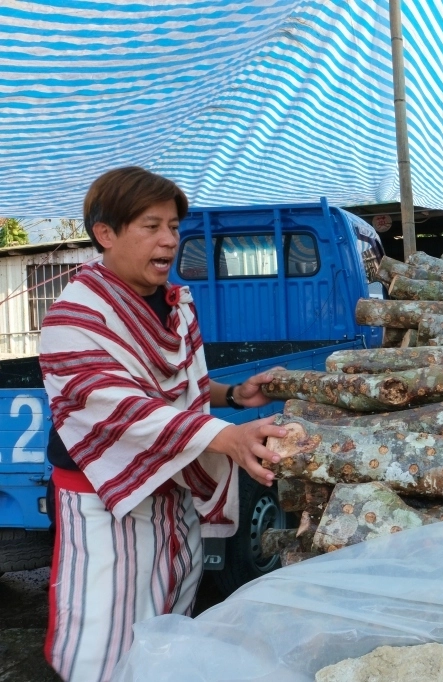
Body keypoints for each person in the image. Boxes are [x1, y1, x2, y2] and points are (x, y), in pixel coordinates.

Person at [39, 166, 288, 682]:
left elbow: (178, 388)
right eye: (151, 226)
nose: (169, 240)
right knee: (104, 635)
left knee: (168, 619)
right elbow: (120, 404)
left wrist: (232, 396)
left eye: (174, 227)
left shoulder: (176, 306)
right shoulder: (74, 317)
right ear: (105, 233)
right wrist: (224, 435)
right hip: (105, 499)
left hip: (172, 488)